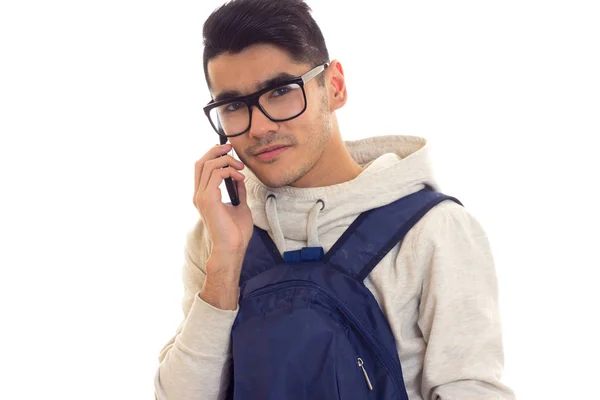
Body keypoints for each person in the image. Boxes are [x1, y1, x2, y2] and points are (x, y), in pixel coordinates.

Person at [154, 0, 515, 399]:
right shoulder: (218, 235)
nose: (259, 127)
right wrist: (224, 263)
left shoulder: (434, 229)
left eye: (281, 92)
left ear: (335, 86)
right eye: (235, 106)